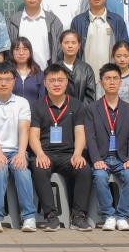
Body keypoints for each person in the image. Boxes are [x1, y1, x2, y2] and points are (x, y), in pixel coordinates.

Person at [28, 63, 93, 232]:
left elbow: (80, 132)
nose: (56, 84)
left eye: (60, 80)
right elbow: (33, 135)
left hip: (68, 154)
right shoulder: (37, 106)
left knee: (84, 169)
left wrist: (78, 154)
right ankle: (51, 216)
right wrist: (40, 154)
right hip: (45, 153)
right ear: (45, 83)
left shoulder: (77, 105)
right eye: (52, 80)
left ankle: (78, 216)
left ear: (66, 82)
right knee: (39, 168)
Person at [0, 62, 37, 232]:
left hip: (16, 150)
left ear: (14, 81)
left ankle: (29, 217)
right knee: (0, 168)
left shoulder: (22, 102)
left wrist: (21, 153)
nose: (3, 83)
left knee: (22, 170)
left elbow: (24, 129)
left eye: (8, 79)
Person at [87, 63, 129, 231]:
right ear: (100, 83)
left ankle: (122, 216)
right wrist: (96, 159)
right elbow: (90, 138)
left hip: (122, 158)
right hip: (102, 158)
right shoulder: (92, 109)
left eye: (115, 78)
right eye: (107, 78)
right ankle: (109, 215)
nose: (111, 82)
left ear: (120, 82)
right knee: (100, 176)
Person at [69, 0, 129, 71]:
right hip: (85, 75)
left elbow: (124, 50)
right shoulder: (78, 22)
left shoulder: (117, 21)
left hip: (111, 75)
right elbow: (72, 52)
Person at [6, 0, 64, 68]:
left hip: (47, 72)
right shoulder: (13, 21)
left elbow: (60, 50)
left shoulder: (53, 21)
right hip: (20, 73)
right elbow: (8, 50)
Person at [55, 30, 98, 103]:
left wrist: (79, 108)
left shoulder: (86, 69)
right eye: (66, 42)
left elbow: (91, 96)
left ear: (79, 46)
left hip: (82, 109)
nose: (70, 46)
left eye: (73, 43)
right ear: (61, 45)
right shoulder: (54, 69)